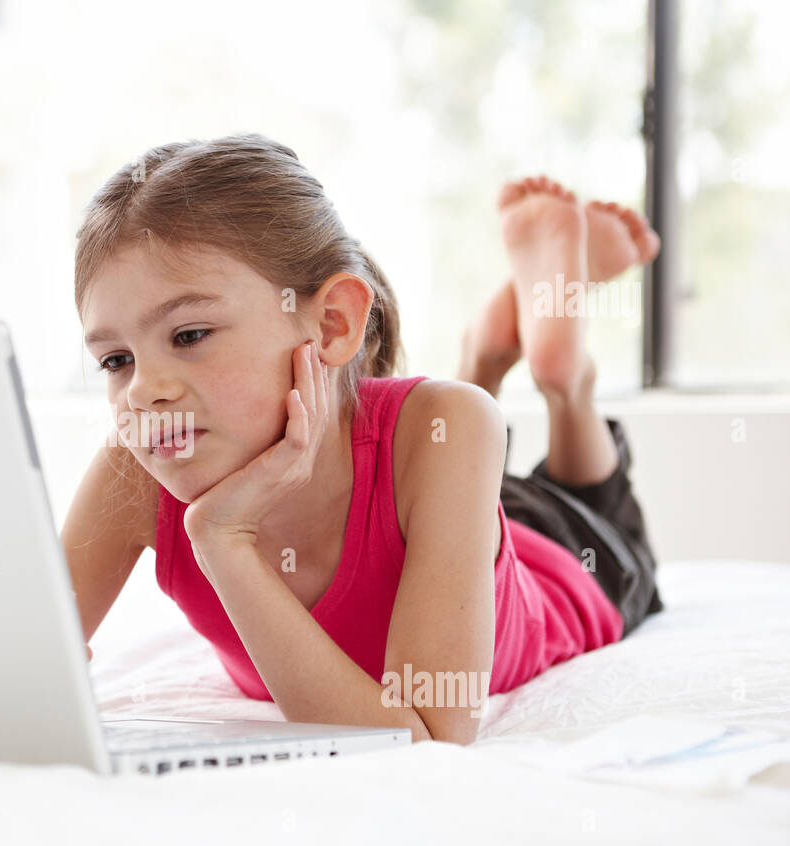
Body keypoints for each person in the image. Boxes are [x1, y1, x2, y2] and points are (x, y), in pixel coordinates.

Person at [61, 133, 664, 745]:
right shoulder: (136, 464)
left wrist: (223, 542)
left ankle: (564, 385)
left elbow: (429, 735)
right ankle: (489, 352)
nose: (143, 391)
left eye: (189, 335)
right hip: (431, 491)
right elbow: (21, 660)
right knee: (453, 446)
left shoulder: (449, 428)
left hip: (558, 548)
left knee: (574, 492)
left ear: (332, 324)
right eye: (116, 360)